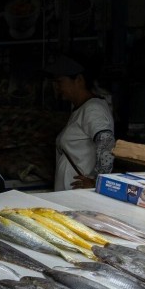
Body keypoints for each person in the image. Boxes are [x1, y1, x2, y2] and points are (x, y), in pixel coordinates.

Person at [46, 54, 114, 191]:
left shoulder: (93, 109)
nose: (57, 88)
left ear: (79, 80)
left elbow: (106, 143)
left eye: (60, 82)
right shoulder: (81, 108)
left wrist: (97, 182)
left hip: (80, 194)